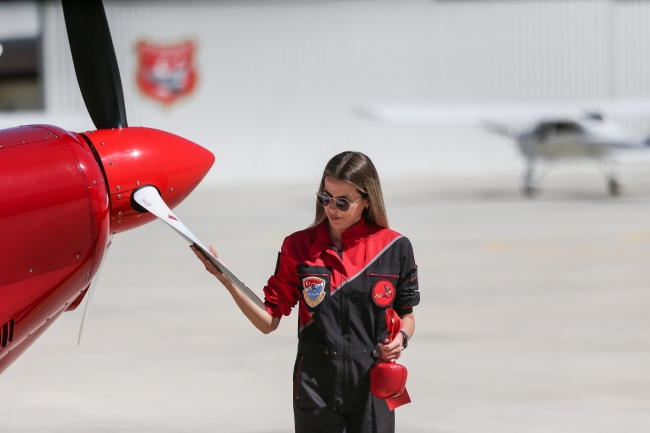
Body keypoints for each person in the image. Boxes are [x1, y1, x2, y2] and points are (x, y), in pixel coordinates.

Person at [191, 151, 420, 433]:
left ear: (367, 200)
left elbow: (407, 317)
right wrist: (226, 279)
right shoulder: (298, 246)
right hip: (316, 384)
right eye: (325, 197)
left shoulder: (394, 247)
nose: (331, 208)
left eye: (342, 202)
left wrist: (402, 338)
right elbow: (268, 321)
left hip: (372, 382)